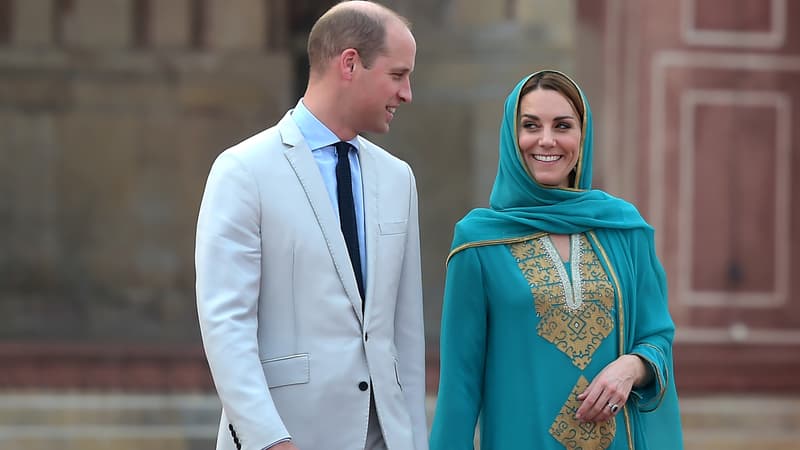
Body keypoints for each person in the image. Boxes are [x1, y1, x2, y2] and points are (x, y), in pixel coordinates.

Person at [195, 2, 427, 449]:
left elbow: (405, 335)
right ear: (350, 63)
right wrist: (268, 439)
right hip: (288, 435)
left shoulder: (399, 179)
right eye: (398, 75)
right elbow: (225, 323)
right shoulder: (244, 170)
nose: (407, 94)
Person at [428, 70, 684, 449]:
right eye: (531, 125)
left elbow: (656, 336)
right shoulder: (478, 242)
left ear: (583, 136)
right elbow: (460, 382)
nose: (546, 140)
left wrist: (631, 367)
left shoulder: (623, 229)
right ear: (512, 137)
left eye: (562, 126)